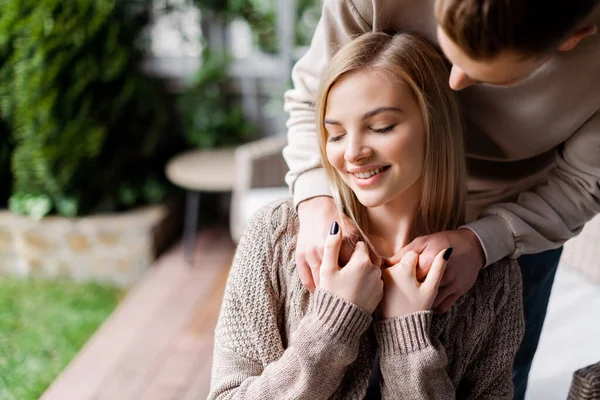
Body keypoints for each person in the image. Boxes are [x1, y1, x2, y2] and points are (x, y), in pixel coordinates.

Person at [282, 1, 600, 398]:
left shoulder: (499, 286)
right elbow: (314, 96)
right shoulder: (275, 239)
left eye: (490, 74)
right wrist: (314, 200)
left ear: (573, 37)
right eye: (447, 50)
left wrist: (486, 242)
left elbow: (585, 182)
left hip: (517, 215)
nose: (454, 84)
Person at [209, 31, 524, 399]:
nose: (353, 153)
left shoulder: (493, 277)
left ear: (435, 126)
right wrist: (332, 326)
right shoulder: (275, 235)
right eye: (337, 134)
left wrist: (408, 337)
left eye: (381, 127)